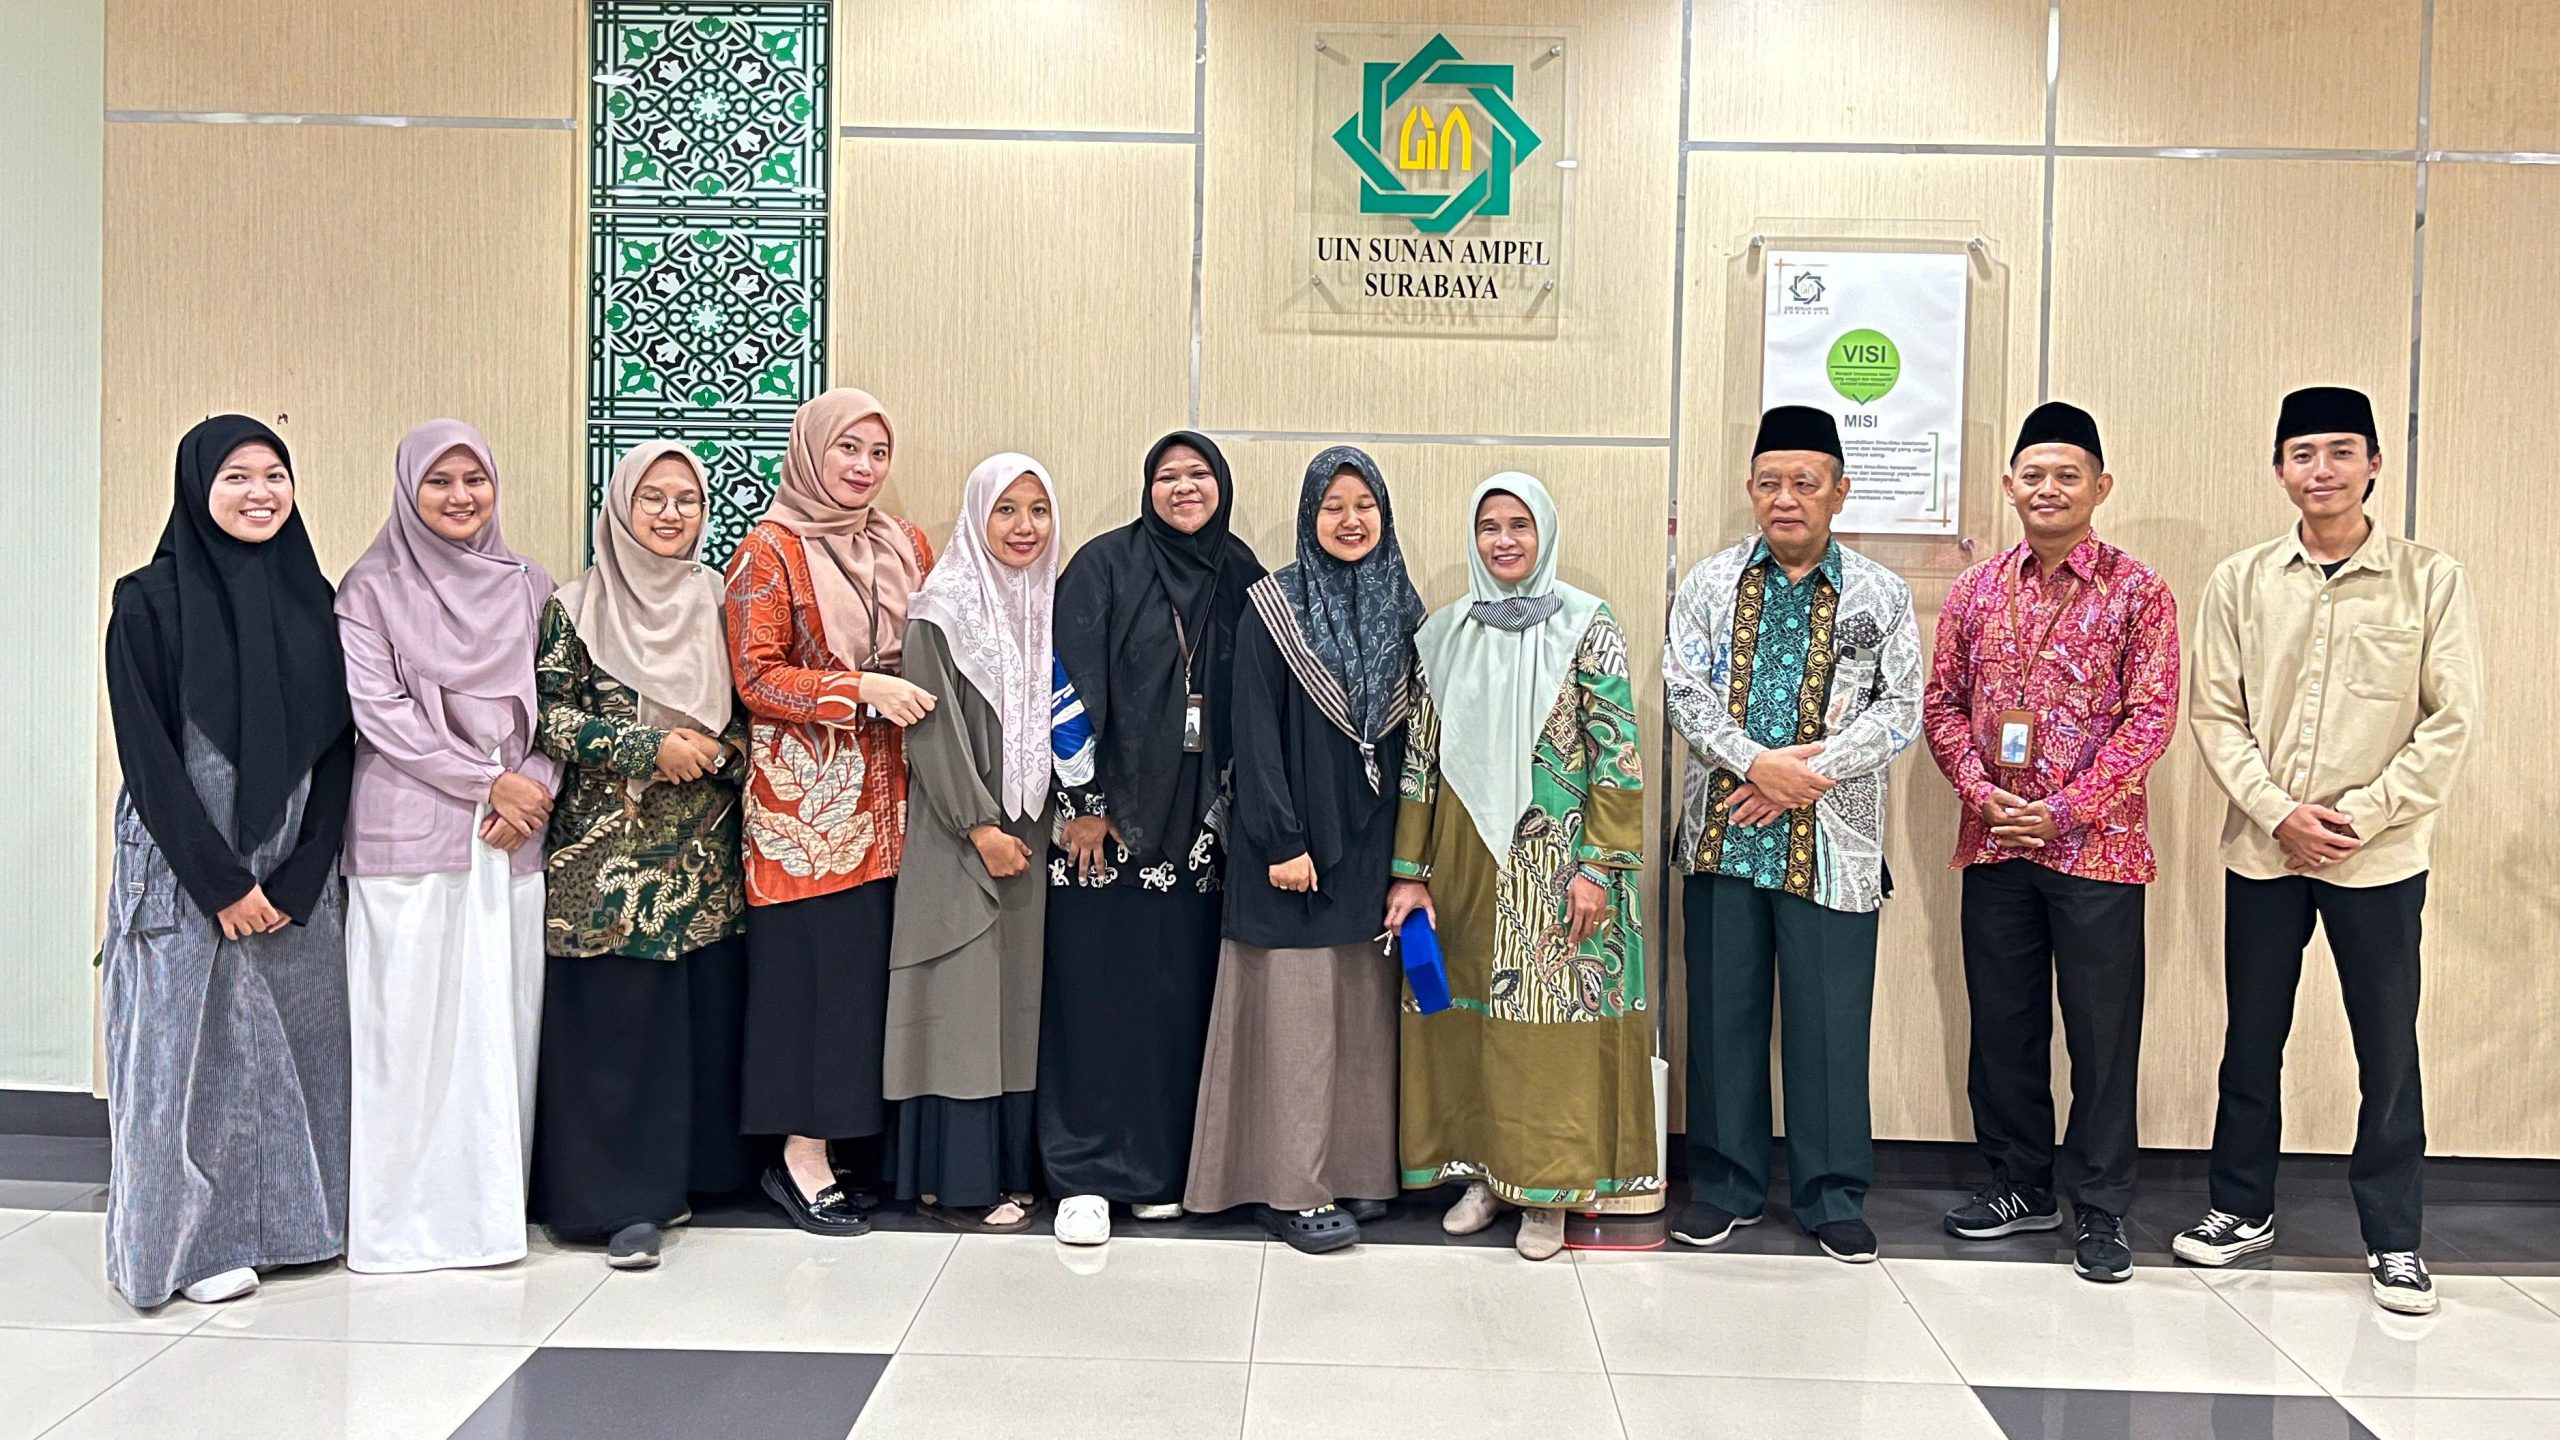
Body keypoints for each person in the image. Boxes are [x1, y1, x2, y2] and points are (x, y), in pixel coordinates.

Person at [2174, 386, 2479, 1315]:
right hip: (2264, 851)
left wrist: (2360, 816)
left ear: (2375, 463)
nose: (2323, 470)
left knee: (2386, 1044)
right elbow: (2215, 713)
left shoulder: (2431, 579)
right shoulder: (2240, 580)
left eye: (2342, 451)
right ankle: (2240, 1207)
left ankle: (2394, 1237)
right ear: (2279, 470)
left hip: (2378, 858)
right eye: (2303, 453)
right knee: (2251, 1037)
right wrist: (2279, 814)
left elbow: (2451, 720)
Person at [100, 416, 355, 1308]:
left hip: (291, 870)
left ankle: (296, 1230)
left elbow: (341, 747)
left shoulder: (315, 599)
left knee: (298, 1048)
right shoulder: (147, 602)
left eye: (275, 474)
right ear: (197, 487)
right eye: (236, 476)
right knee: (183, 1059)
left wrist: (301, 873)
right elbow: (148, 760)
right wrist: (221, 884)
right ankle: (187, 1250)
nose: (259, 493)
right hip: (187, 863)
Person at [1922, 402, 2180, 1285]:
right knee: (2004, 1026)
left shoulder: (2139, 591)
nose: (2048, 488)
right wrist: (1982, 790)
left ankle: (2101, 1208)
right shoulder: (1976, 589)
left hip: (2098, 852)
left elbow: (2151, 718)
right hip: (1996, 842)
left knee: (2102, 1039)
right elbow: (1942, 703)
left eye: (2067, 474)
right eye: (2033, 474)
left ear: (2100, 487)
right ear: (2009, 486)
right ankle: (2019, 1185)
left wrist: (2065, 809)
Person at [1663, 406, 1923, 1265]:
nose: (1786, 499)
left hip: (1834, 849)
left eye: (1805, 483)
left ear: (1839, 493)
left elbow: (1902, 707)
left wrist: (1805, 776)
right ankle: (1724, 1188)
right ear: (1750, 489)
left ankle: (1832, 1196)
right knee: (1721, 1023)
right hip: (1722, 839)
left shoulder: (1880, 594)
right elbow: (1682, 691)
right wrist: (1754, 763)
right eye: (1770, 483)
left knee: (1830, 1028)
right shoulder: (1708, 584)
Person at [1383, 473, 1659, 1262]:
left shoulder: (1587, 623)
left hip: (1559, 861)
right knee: (1473, 1018)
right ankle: (1484, 1175)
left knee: (1548, 1023)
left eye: (1519, 525)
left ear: (1544, 532)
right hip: (1465, 861)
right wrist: (1410, 869)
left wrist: (1599, 867)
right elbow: (1421, 761)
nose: (1503, 540)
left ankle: (1548, 1194)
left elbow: (1616, 750)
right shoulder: (1442, 635)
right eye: (1489, 527)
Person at [1184, 447, 1422, 1252]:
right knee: (1296, 1026)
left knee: (1358, 1021)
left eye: (1365, 505)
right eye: (1333, 506)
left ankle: (1355, 1172)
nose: (1351, 521)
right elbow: (1251, 733)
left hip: (1371, 852)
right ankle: (1291, 1187)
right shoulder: (1273, 607)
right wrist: (1282, 839)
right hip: (1288, 852)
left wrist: (1409, 860)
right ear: (1308, 515)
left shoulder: (1404, 609)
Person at [336, 419, 559, 1273]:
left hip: (512, 836)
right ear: (408, 490)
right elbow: (380, 713)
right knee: (407, 1034)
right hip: (410, 835)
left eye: (475, 479)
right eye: (440, 481)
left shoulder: (530, 585)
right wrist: (486, 781)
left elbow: (561, 705)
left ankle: (491, 1216)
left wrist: (532, 783)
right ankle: (400, 1226)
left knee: (500, 1027)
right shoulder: (370, 588)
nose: (461, 497)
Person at [527, 440, 752, 1270]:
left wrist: (720, 752)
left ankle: (700, 1179)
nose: (670, 514)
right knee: (617, 1031)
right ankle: (615, 1203)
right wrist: (644, 747)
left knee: (693, 1025)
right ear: (621, 507)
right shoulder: (574, 606)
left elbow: (753, 708)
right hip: (606, 865)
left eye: (687, 500)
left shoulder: (721, 599)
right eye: (652, 497)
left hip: (703, 858)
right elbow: (547, 717)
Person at [1042, 431, 1266, 1246]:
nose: (1184, 488)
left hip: (1201, 828)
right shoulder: (1103, 566)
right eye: (1168, 476)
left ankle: (1163, 1168)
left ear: (1222, 485)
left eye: (1198, 473)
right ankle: (1086, 1176)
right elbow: (1062, 683)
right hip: (1104, 828)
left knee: (1177, 1000)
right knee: (1098, 997)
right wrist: (1084, 802)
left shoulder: (1241, 574)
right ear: (1148, 487)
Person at [724, 388, 935, 1236]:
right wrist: (859, 690)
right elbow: (756, 677)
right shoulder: (767, 551)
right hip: (808, 810)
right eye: (848, 448)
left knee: (864, 987)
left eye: (878, 453)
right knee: (809, 987)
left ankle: (850, 1148)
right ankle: (799, 1157)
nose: (863, 467)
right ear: (812, 451)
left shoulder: (905, 543)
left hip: (901, 804)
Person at [885, 454, 1064, 1233]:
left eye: (1038, 510)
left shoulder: (1054, 602)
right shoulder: (941, 608)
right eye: (1006, 510)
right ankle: (953, 1183)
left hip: (1034, 834)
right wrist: (980, 825)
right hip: (962, 831)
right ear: (977, 516)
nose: (1024, 528)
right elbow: (931, 729)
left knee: (1013, 1006)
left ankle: (1006, 1170)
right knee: (959, 998)